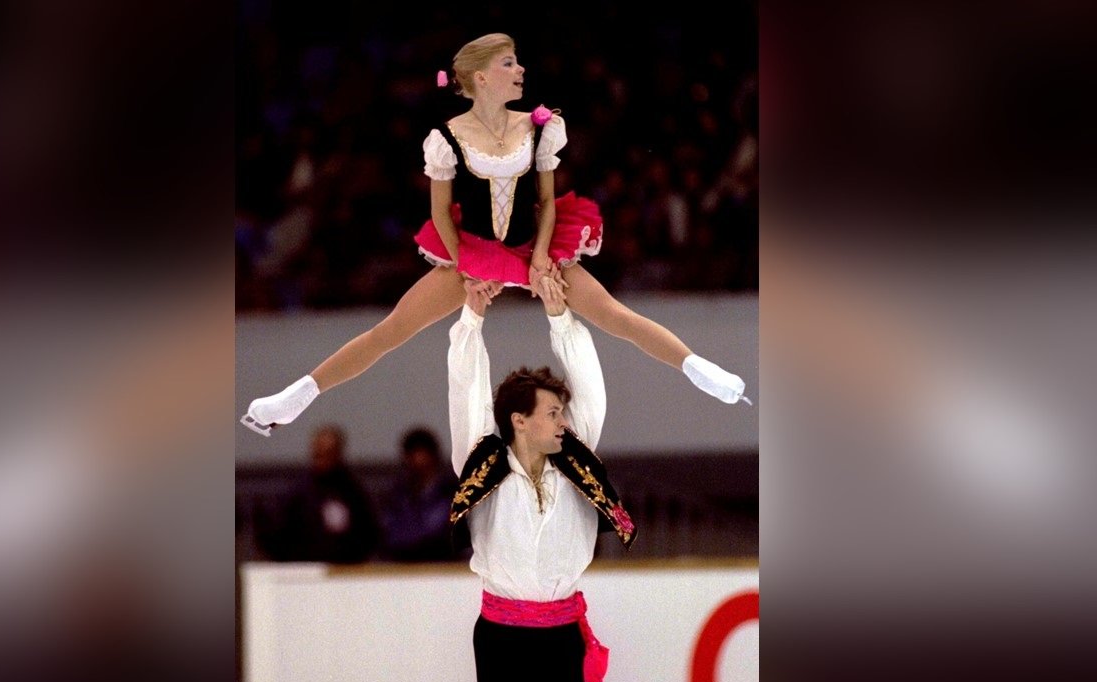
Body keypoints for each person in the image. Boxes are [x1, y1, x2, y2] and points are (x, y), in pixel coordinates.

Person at [241, 32, 748, 438]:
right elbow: (441, 213)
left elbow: (547, 200)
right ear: (480, 77)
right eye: (509, 63)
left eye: (518, 61)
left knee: (616, 315)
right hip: (474, 249)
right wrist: (465, 264)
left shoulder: (541, 126)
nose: (520, 69)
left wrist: (542, 258)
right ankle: (296, 396)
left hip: (537, 245)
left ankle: (701, 370)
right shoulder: (445, 138)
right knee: (391, 331)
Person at [448, 274, 632, 682]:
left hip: (563, 636)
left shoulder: (575, 462)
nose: (562, 422)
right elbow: (466, 391)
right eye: (551, 413)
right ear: (519, 420)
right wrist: (472, 319)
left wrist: (560, 317)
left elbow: (592, 390)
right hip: (501, 641)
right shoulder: (480, 464)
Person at [255, 424, 380, 563]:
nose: (322, 459)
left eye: (329, 453)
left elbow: (369, 532)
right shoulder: (296, 492)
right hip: (305, 569)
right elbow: (279, 533)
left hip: (345, 569)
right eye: (318, 453)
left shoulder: (354, 492)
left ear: (338, 453)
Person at [379, 427, 461, 562]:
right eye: (412, 455)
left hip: (445, 564)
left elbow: (445, 533)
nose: (418, 460)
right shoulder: (397, 494)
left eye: (422, 453)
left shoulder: (452, 492)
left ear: (433, 456)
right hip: (402, 564)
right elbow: (390, 532)